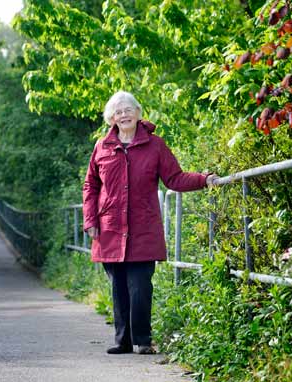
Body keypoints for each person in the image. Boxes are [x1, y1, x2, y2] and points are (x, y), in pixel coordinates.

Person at [82, 91, 218, 355]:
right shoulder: (102, 146)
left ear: (138, 113)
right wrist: (91, 220)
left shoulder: (155, 145)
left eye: (128, 110)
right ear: (112, 117)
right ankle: (122, 340)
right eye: (118, 111)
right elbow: (91, 185)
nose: (124, 115)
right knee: (118, 286)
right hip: (109, 227)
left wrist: (204, 179)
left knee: (140, 286)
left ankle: (143, 340)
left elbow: (175, 178)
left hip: (143, 228)